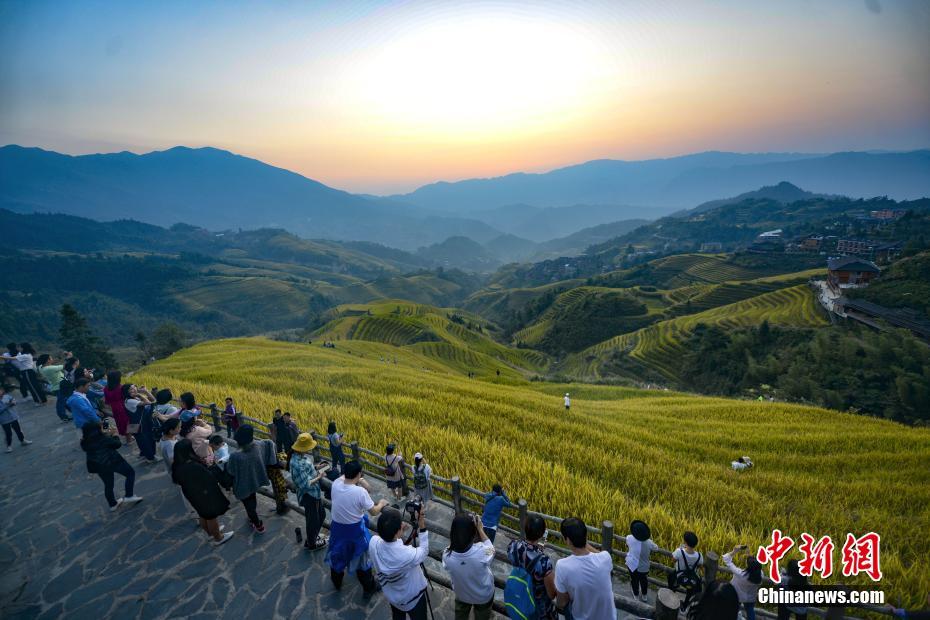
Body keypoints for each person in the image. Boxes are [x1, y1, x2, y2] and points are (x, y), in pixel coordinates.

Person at [326, 460, 387, 595]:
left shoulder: (336, 484)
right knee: (362, 560)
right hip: (354, 532)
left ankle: (336, 582)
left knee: (337, 556)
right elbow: (374, 512)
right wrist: (382, 503)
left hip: (337, 529)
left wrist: (360, 479)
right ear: (359, 474)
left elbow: (345, 478)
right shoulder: (359, 492)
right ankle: (369, 586)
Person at [368, 506, 429, 619]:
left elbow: (388, 543)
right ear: (396, 533)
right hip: (413, 599)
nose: (402, 525)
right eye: (400, 525)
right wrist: (421, 524)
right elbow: (424, 551)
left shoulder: (373, 543)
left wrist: (398, 533)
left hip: (393, 596)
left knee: (398, 617)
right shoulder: (406, 555)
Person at [171, 438, 234, 546]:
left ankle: (210, 533)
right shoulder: (193, 465)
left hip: (191, 494)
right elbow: (209, 477)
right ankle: (218, 537)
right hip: (203, 493)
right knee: (211, 516)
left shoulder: (177, 465)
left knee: (202, 515)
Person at [554, 517, 616, 620]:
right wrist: (583, 542)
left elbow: (561, 602)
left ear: (567, 540)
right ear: (586, 536)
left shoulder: (562, 566)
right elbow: (599, 554)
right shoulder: (606, 558)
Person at [80, 421, 143, 511]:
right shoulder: (103, 438)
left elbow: (99, 443)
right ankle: (129, 495)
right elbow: (117, 444)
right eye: (100, 428)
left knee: (108, 484)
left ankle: (112, 504)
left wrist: (107, 434)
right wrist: (115, 434)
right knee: (130, 473)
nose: (102, 429)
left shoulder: (85, 442)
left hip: (98, 466)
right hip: (113, 461)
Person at [442, 513, 495, 620]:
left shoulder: (447, 555)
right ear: (473, 533)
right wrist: (480, 529)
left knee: (460, 614)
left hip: (462, 594)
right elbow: (492, 549)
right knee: (482, 615)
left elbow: (453, 548)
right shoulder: (481, 551)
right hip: (483, 596)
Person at [508, 514, 557, 619]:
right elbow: (552, 594)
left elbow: (522, 559)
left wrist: (534, 552)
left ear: (525, 529)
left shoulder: (513, 546)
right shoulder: (544, 562)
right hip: (537, 607)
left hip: (519, 597)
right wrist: (538, 554)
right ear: (542, 534)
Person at [290, 433, 329, 550]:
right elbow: (306, 484)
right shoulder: (296, 463)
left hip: (314, 493)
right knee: (313, 520)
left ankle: (314, 536)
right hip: (309, 495)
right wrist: (320, 476)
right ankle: (311, 543)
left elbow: (308, 469)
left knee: (321, 515)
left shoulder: (301, 457)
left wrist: (317, 467)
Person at [226, 425, 268, 533]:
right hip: (254, 481)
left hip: (242, 485)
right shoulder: (257, 447)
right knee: (252, 500)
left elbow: (231, 471)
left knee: (248, 506)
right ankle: (253, 517)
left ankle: (258, 525)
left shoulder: (235, 456)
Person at [723, 545, 762, 620]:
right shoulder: (760, 575)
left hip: (737, 596)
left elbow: (727, 560)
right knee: (750, 611)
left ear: (748, 566)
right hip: (750, 597)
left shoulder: (740, 573)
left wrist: (734, 551)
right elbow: (754, 567)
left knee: (734, 610)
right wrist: (749, 555)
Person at [625, 520, 659, 603]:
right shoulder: (649, 542)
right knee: (643, 580)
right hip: (643, 567)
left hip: (632, 565)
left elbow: (628, 543)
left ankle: (636, 595)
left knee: (634, 580)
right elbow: (656, 548)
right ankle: (644, 596)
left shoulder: (629, 538)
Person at [671, 531, 704, 611]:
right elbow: (700, 566)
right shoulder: (699, 556)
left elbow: (673, 560)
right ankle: (684, 607)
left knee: (671, 578)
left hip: (679, 577)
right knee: (690, 591)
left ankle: (672, 594)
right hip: (691, 580)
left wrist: (680, 548)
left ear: (685, 542)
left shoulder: (679, 551)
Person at [124, 384, 157, 463]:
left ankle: (144, 454)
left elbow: (154, 400)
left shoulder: (134, 398)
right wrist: (139, 394)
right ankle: (150, 458)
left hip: (136, 423)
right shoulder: (130, 401)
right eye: (131, 389)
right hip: (139, 424)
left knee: (141, 440)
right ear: (126, 392)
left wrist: (146, 391)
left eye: (134, 387)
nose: (134, 389)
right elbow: (149, 402)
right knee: (146, 441)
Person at [1, 382, 33, 452]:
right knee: (8, 433)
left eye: (0, 390)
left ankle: (22, 440)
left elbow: (14, 401)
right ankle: (8, 446)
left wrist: (13, 402)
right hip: (4, 420)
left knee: (18, 430)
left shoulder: (7, 396)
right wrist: (7, 405)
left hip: (13, 417)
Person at [103, 371, 131, 445]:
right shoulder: (121, 388)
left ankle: (129, 437)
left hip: (115, 408)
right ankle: (129, 441)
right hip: (124, 407)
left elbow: (107, 401)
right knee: (128, 423)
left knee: (121, 423)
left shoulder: (106, 389)